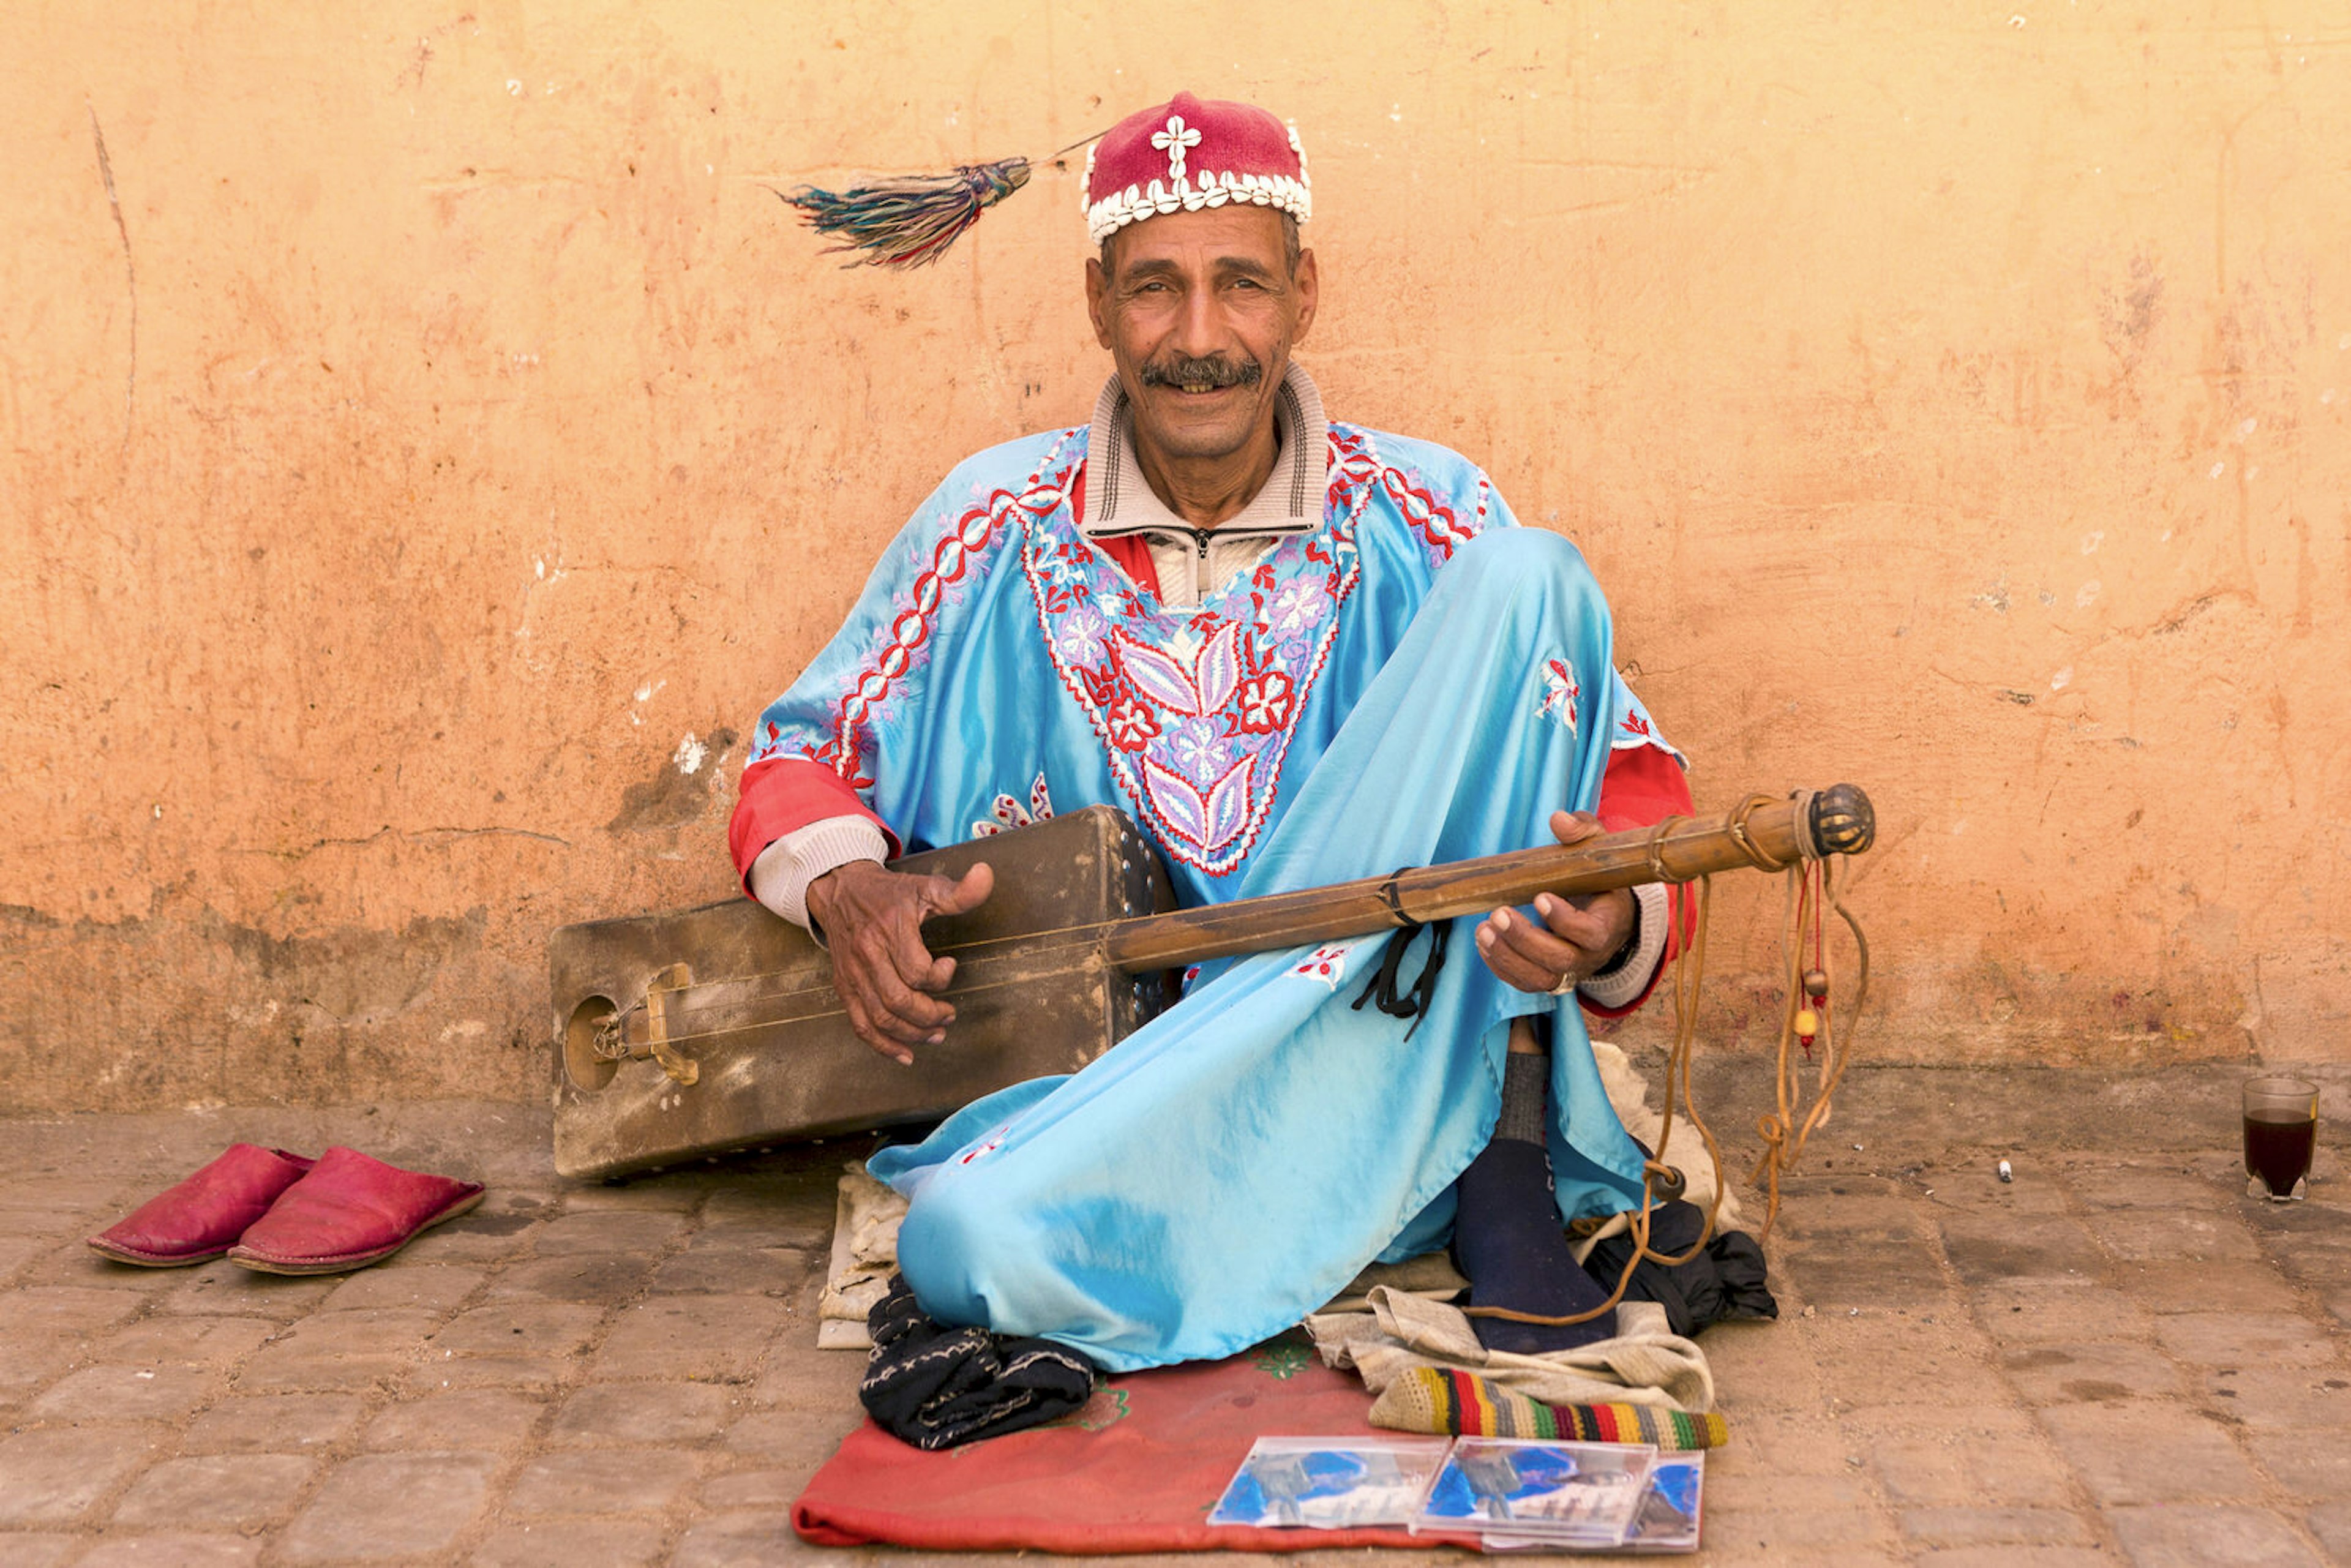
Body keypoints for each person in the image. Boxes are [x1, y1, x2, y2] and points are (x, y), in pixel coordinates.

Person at [730, 92, 1695, 1393]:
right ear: (1095, 302)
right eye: (1154, 290)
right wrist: (848, 888)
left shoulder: (1430, 510)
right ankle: (1251, 1229)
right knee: (959, 1240)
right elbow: (800, 754)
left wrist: (1610, 923)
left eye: (1240, 285)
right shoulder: (991, 519)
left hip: (1399, 1081)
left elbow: (1631, 785)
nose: (1198, 340)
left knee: (1535, 578)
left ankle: (1504, 1163)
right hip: (1117, 1121)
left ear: (1303, 295)